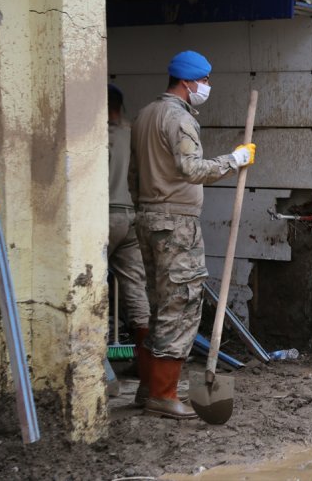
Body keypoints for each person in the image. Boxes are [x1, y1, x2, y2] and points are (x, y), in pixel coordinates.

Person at [129, 50, 256, 419]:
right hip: (176, 224)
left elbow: (134, 176)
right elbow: (190, 168)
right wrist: (233, 161)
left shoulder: (143, 116)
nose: (207, 86)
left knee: (158, 305)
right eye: (205, 80)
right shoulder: (179, 119)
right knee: (180, 305)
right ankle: (164, 395)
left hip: (147, 218)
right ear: (188, 82)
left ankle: (147, 387)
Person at [107, 84, 151, 405]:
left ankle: (98, 373)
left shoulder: (96, 136)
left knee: (90, 290)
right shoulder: (135, 134)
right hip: (133, 217)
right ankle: (146, 370)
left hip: (103, 216)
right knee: (136, 292)